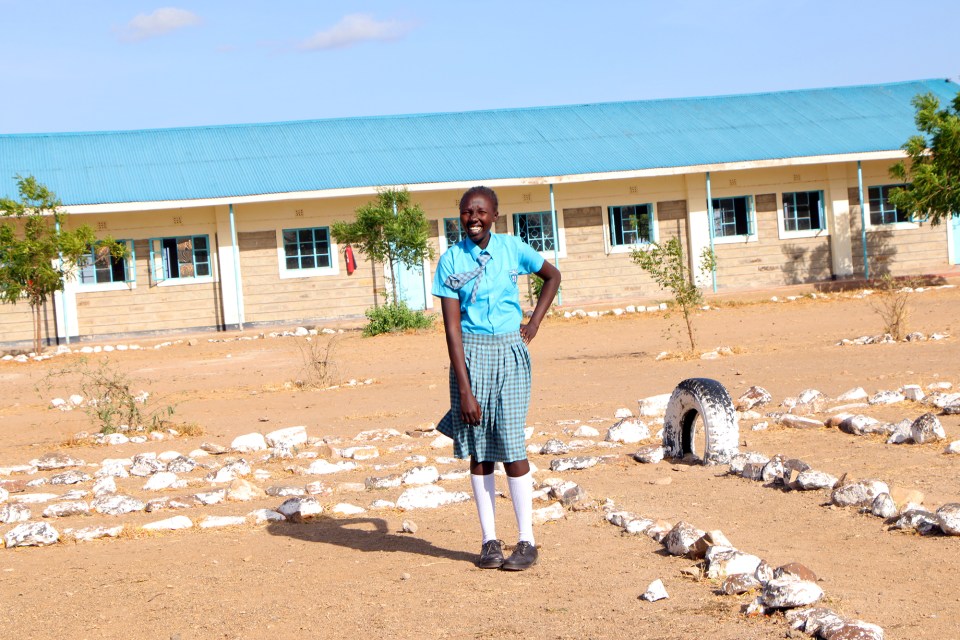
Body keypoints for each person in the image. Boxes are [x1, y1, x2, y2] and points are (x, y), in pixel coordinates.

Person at [432, 186, 561, 571]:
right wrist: (465, 389)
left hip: (510, 353)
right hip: (470, 356)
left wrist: (533, 323)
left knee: (511, 445)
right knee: (480, 451)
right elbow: (452, 330)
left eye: (480, 212)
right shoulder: (451, 261)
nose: (473, 218)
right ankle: (489, 542)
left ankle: (527, 541)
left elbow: (552, 276)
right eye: (466, 212)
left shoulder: (512, 248)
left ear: (494, 216)